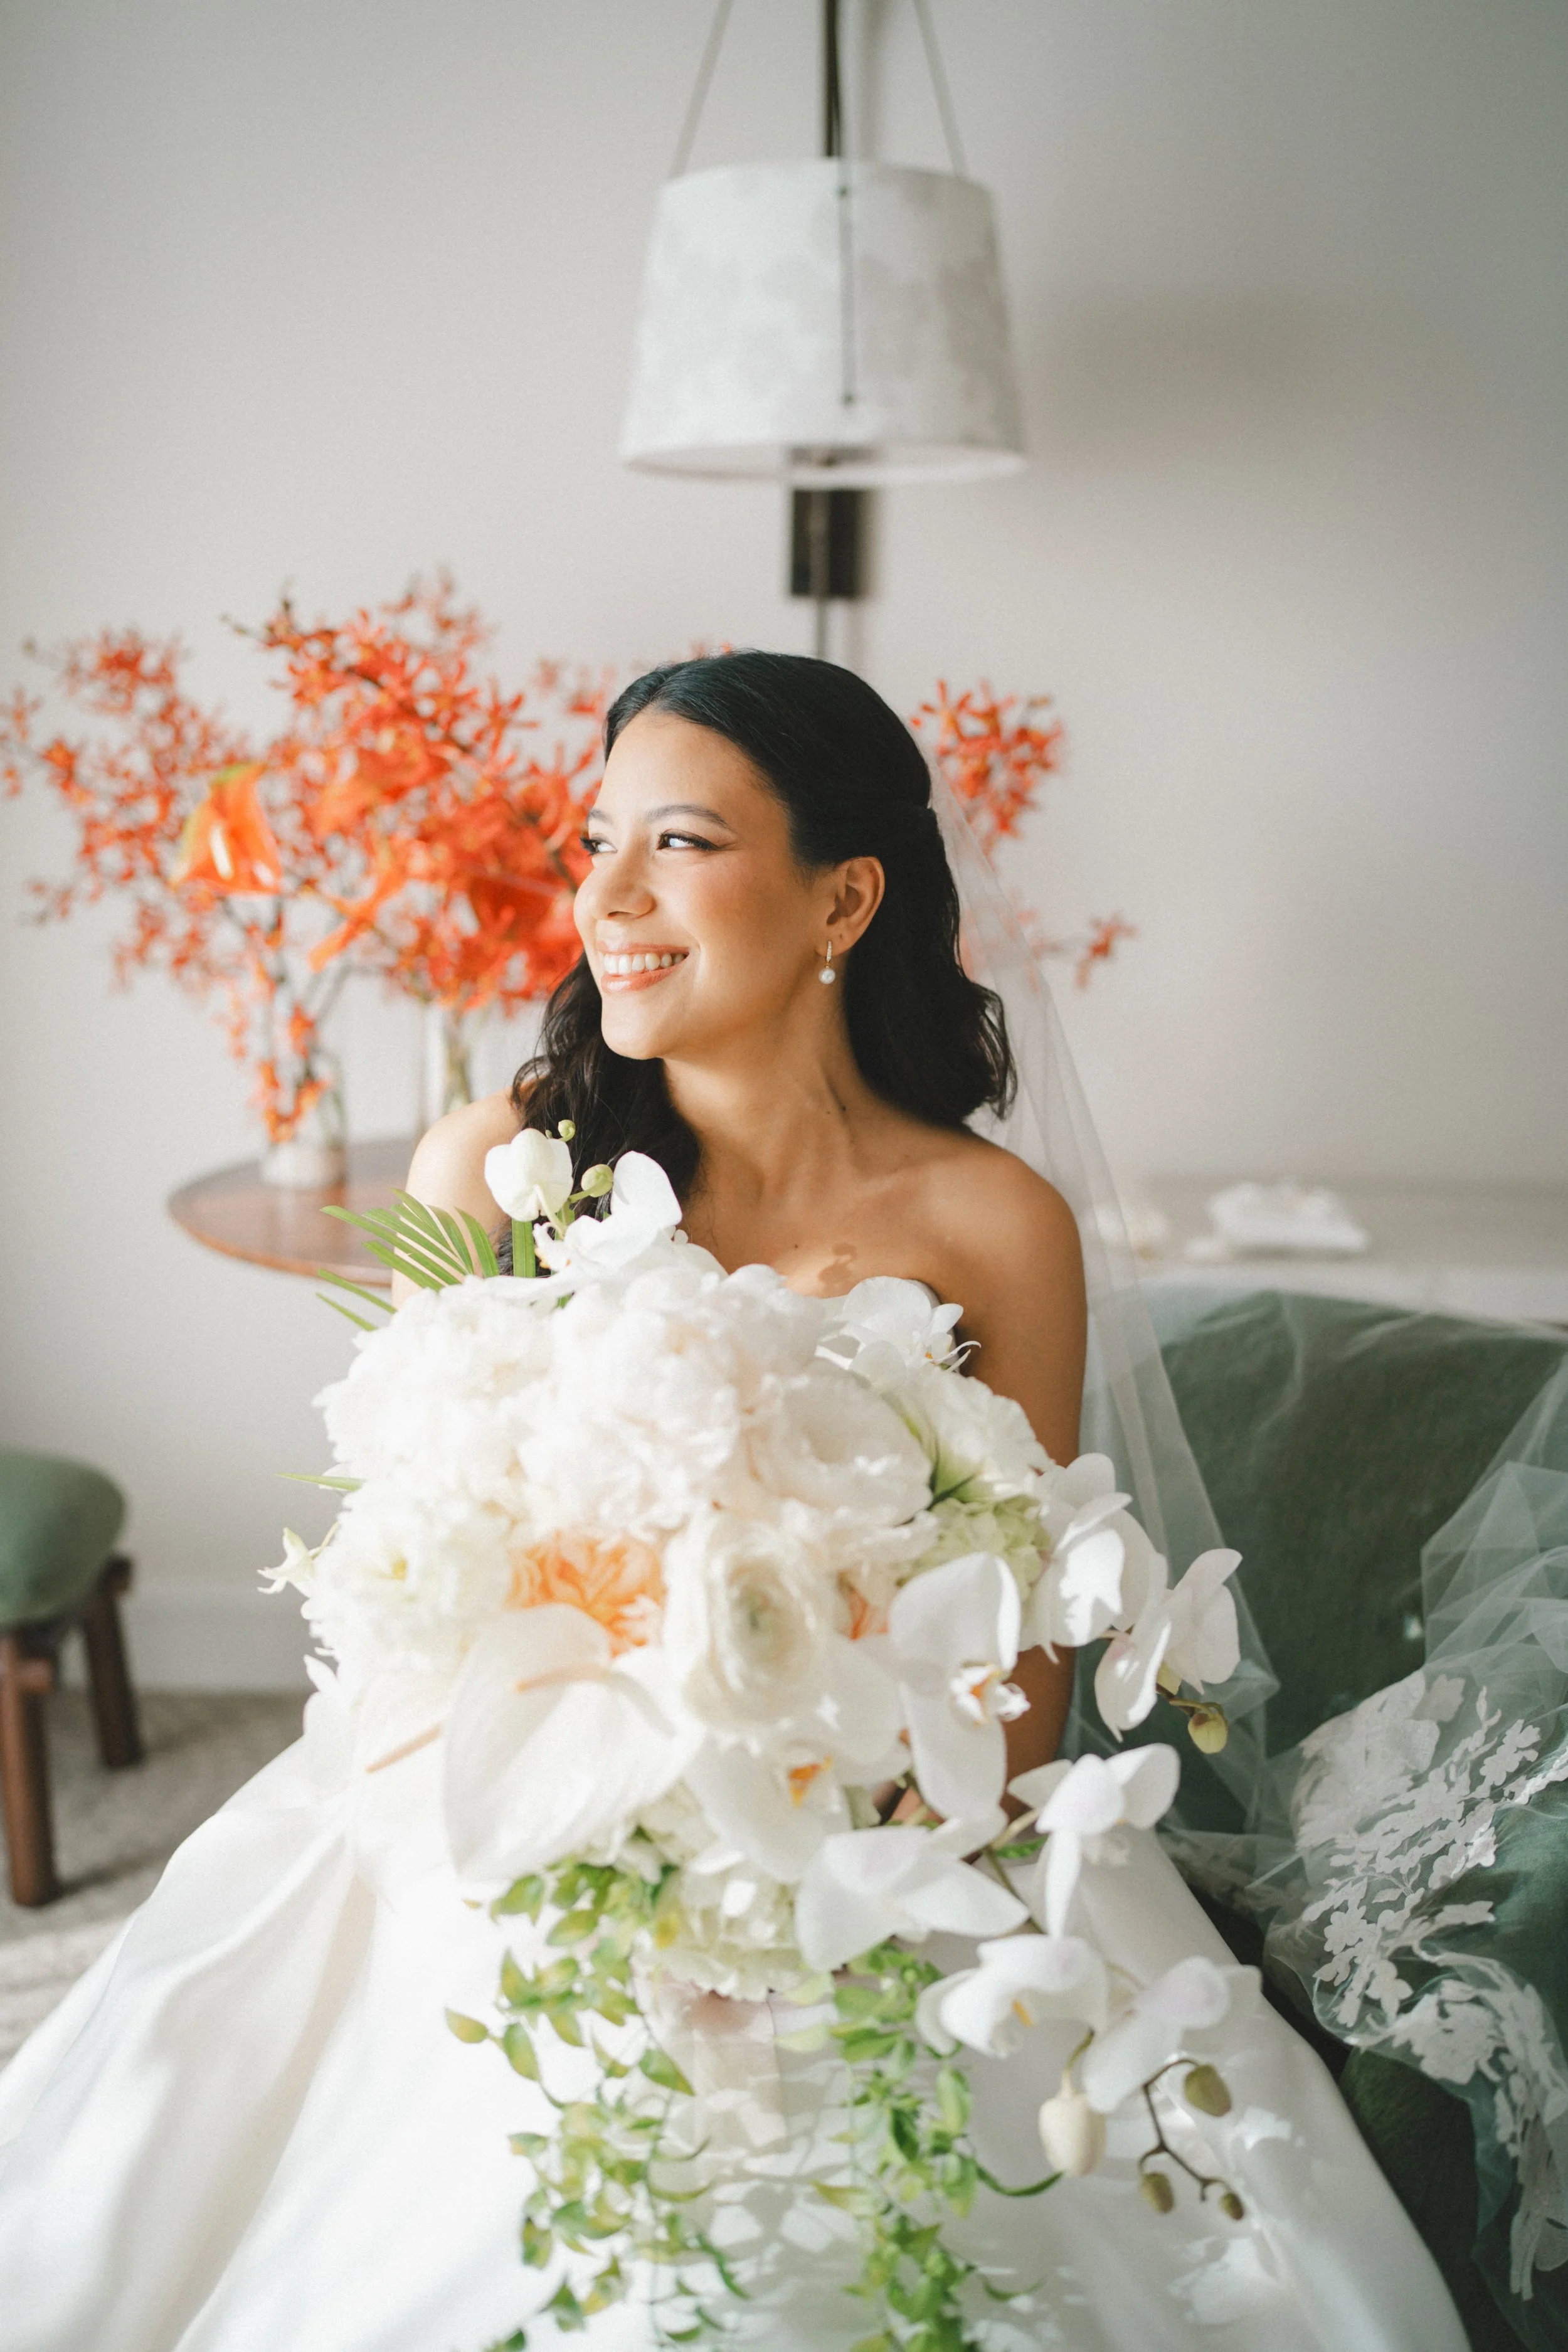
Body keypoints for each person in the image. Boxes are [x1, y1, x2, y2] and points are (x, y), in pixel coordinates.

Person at [0, 654, 1465, 2349]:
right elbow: (401, 1583)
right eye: (596, 841)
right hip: (504, 1816)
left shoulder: (996, 1226)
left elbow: (1029, 1678)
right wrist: (615, 1838)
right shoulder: (488, 1172)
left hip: (887, 1843)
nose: (606, 896)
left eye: (680, 842)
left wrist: (797, 1857)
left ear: (845, 897)